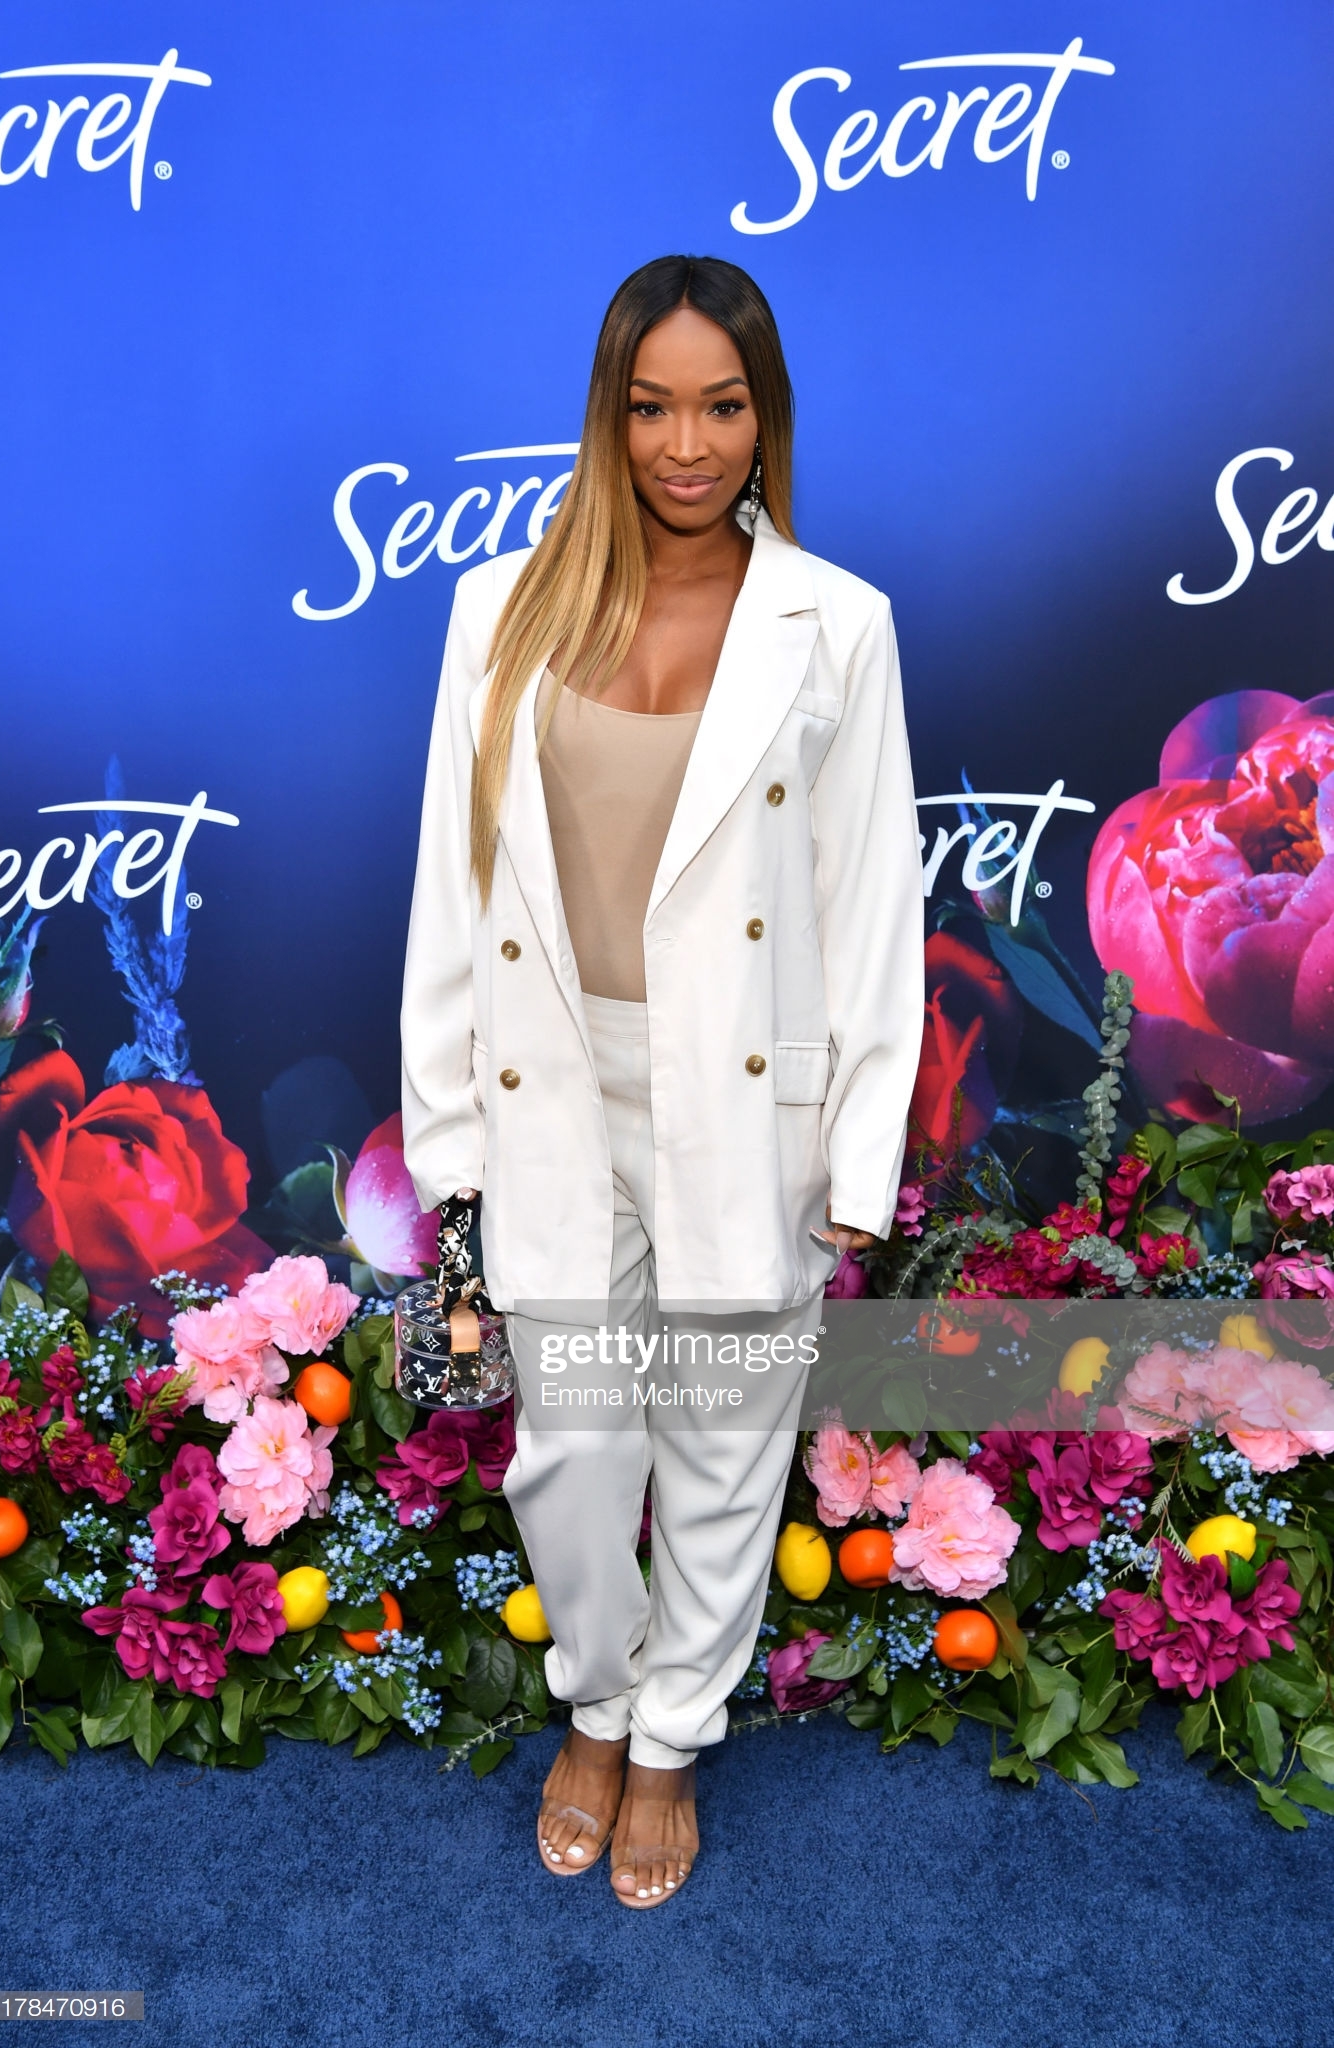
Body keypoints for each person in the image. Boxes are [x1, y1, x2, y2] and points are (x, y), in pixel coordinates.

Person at [401, 254, 924, 1906]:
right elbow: (454, 891)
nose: (686, 445)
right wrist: (448, 1140)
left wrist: (857, 1160)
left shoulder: (837, 624)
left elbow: (867, 906)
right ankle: (594, 1701)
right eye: (650, 407)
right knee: (568, 1455)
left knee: (720, 1449)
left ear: (766, 418)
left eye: (721, 405)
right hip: (552, 1083)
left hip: (743, 1093)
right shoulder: (498, 607)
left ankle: (670, 1738)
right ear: (605, 416)